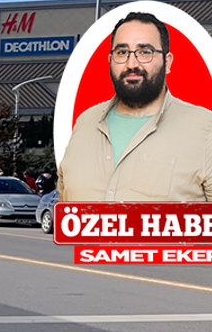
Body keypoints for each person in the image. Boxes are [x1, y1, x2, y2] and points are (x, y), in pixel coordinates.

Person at [59, 10, 212, 201]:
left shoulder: (205, 128)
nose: (132, 64)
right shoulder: (84, 122)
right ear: (110, 61)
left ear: (167, 62)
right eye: (122, 52)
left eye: (145, 52)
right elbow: (65, 211)